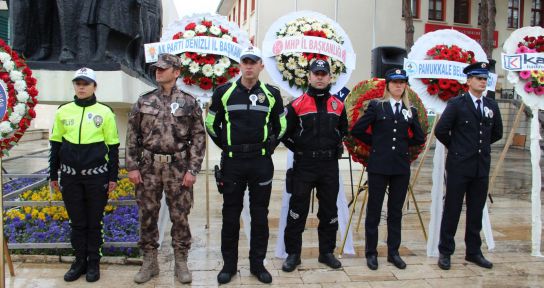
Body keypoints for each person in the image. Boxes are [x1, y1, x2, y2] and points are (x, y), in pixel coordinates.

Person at [205, 46, 286, 284]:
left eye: (254, 62)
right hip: (233, 163)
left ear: (261, 65)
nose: (249, 66)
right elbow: (211, 123)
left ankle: (257, 265)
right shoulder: (224, 91)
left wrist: (270, 145)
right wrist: (226, 146)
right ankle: (229, 266)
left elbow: (281, 125)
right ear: (239, 65)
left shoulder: (271, 93)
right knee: (230, 215)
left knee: (260, 216)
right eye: (245, 62)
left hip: (261, 162)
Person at [125, 53, 206, 284]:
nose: (158, 71)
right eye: (157, 68)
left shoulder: (189, 102)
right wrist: (132, 166)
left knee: (180, 216)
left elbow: (199, 138)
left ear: (176, 72)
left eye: (163, 68)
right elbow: (132, 136)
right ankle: (150, 261)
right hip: (149, 167)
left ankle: (181, 260)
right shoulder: (144, 101)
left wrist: (193, 170)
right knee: (147, 215)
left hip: (178, 168)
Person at [49, 67, 120, 282]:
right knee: (77, 222)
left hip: (96, 178)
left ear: (94, 86)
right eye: (78, 83)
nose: (81, 87)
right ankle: (79, 261)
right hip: (70, 178)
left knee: (94, 222)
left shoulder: (105, 112)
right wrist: (53, 176)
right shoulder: (63, 110)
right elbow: (55, 145)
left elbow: (113, 147)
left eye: (86, 83)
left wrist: (112, 178)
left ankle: (93, 263)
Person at [350, 68, 425, 270]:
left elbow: (419, 138)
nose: (398, 85)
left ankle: (393, 252)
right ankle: (371, 253)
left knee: (395, 212)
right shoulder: (377, 106)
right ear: (388, 85)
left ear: (405, 86)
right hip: (379, 165)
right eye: (394, 82)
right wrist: (376, 144)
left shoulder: (411, 110)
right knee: (374, 211)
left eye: (402, 82)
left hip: (400, 167)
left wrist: (405, 135)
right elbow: (357, 129)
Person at [281, 59, 347, 273]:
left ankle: (326, 252)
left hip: (329, 166)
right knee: (297, 210)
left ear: (330, 77)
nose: (319, 77)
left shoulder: (339, 105)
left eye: (323, 74)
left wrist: (335, 145)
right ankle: (293, 254)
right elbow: (285, 134)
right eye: (316, 73)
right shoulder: (296, 104)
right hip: (304, 165)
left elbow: (343, 130)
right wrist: (299, 148)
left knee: (329, 210)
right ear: (309, 76)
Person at [435, 62, 503, 270]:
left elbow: (497, 132)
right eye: (479, 78)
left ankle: (473, 251)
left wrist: (477, 148)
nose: (483, 81)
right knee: (452, 210)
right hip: (459, 166)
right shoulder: (457, 104)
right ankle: (445, 252)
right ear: (468, 81)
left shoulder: (491, 105)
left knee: (476, 211)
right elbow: (441, 130)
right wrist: (458, 148)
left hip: (480, 167)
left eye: (485, 79)